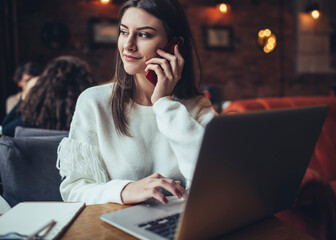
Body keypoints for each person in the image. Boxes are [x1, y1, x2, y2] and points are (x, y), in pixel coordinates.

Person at [56, 0, 218, 206]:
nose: (128, 45)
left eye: (144, 34)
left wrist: (164, 104)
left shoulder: (198, 108)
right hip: (113, 226)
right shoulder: (94, 102)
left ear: (174, 46)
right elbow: (74, 190)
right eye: (124, 32)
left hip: (181, 226)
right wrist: (125, 190)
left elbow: (213, 181)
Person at [1, 56, 94, 137]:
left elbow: (5, 131)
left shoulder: (35, 117)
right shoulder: (88, 117)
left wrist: (24, 97)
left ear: (44, 84)